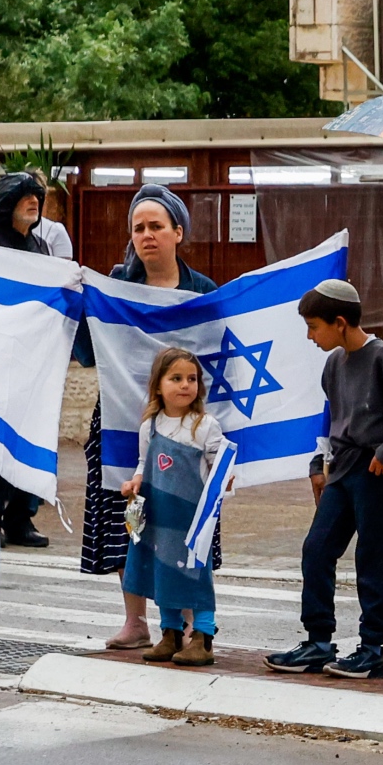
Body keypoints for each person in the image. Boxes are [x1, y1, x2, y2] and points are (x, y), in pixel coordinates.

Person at [266, 280, 383, 679]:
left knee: (371, 556)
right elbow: (334, 421)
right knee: (317, 549)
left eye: (314, 327)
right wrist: (317, 463)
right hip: (340, 471)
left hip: (373, 474)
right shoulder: (334, 363)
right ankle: (318, 641)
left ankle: (373, 648)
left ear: (340, 322)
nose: (311, 336)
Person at [88, 184, 220, 650]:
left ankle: (184, 620)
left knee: (181, 522)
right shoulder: (116, 288)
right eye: (138, 228)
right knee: (132, 516)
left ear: (177, 232)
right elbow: (89, 353)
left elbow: (221, 354)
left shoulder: (202, 291)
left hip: (185, 432)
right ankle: (135, 620)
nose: (147, 235)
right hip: (125, 422)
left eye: (156, 226)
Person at [121, 346, 228, 667]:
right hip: (158, 516)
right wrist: (134, 482)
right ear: (158, 385)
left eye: (192, 379)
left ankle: (203, 636)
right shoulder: (150, 426)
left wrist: (225, 480)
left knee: (196, 574)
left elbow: (218, 465)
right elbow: (144, 463)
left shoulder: (205, 425)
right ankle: (169, 632)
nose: (185, 385)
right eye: (176, 378)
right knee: (162, 571)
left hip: (192, 518)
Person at [0, 171, 54, 546]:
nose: (33, 202)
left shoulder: (42, 248)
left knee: (29, 437)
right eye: (24, 196)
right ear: (6, 203)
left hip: (32, 359)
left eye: (37, 196)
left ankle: (20, 517)